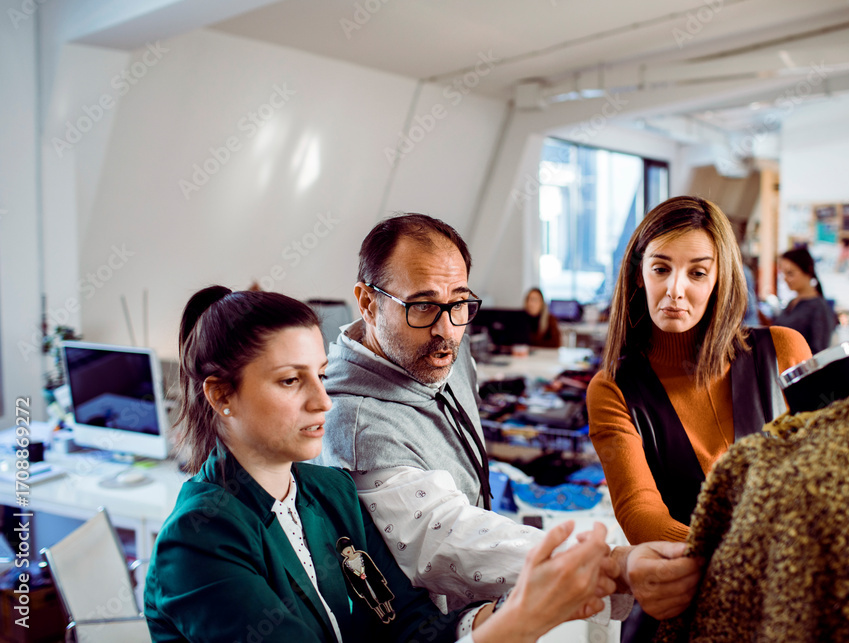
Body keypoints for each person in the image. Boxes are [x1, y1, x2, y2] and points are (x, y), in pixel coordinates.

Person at [144, 286, 617, 643]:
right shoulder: (198, 541)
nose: (322, 401)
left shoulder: (330, 492)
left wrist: (515, 607)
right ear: (221, 395)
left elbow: (410, 624)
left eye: (321, 376)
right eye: (290, 381)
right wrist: (515, 627)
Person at [317, 213, 702, 623]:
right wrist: (609, 566)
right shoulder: (356, 425)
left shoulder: (441, 351)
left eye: (459, 302)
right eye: (423, 305)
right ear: (367, 303)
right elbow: (443, 535)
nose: (446, 330)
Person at [587, 197, 813, 547]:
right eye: (661, 269)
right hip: (695, 578)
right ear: (639, 274)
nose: (675, 290)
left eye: (697, 273)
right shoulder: (613, 389)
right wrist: (745, 559)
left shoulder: (784, 350)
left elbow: (831, 469)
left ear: (719, 279)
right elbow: (641, 514)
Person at [769, 247, 837, 355]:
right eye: (784, 274)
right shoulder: (792, 302)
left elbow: (819, 352)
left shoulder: (819, 308)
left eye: (790, 273)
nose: (785, 278)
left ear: (808, 271)